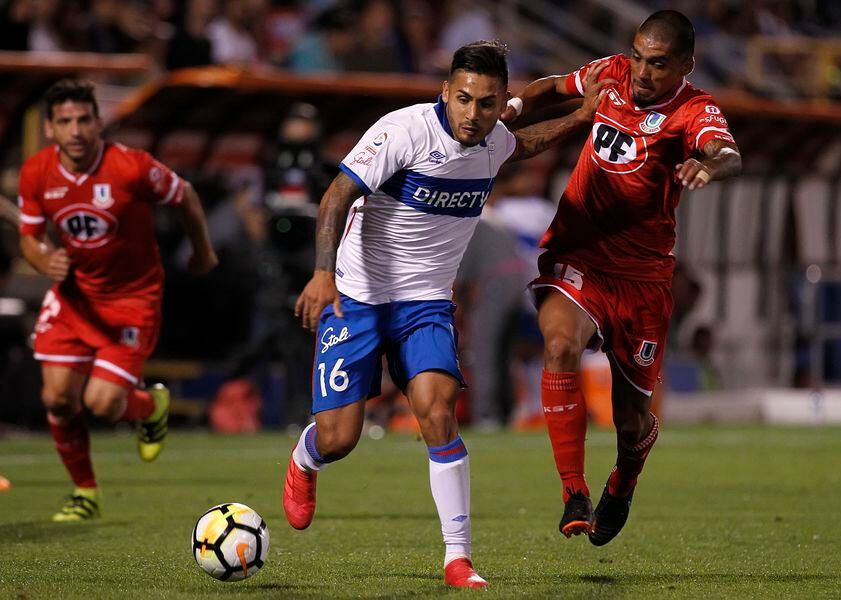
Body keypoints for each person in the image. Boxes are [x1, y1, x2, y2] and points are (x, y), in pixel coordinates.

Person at [282, 40, 609, 588]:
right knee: (339, 438)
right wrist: (323, 274)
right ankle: (305, 459)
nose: (473, 114)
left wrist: (579, 116)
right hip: (356, 296)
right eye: (463, 99)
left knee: (438, 413)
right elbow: (337, 194)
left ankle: (458, 558)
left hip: (425, 304)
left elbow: (520, 144)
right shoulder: (403, 131)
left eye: (486, 103)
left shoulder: (491, 139)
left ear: (500, 99)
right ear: (445, 93)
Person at [501, 10, 742, 546]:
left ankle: (624, 480)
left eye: (658, 63)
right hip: (580, 253)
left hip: (642, 280)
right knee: (559, 344)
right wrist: (512, 108)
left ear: (686, 64)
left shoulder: (693, 110)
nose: (642, 71)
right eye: (637, 56)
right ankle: (573, 493)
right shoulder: (611, 73)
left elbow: (726, 151)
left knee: (631, 424)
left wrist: (710, 165)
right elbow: (550, 88)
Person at [17, 79, 218, 521]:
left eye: (84, 119)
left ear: (98, 122)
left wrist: (201, 252)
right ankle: (85, 492)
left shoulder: (131, 167)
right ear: (50, 129)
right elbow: (29, 238)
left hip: (131, 299)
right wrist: (44, 260)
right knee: (57, 399)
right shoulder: (36, 172)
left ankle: (151, 405)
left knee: (102, 404)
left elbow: (185, 195)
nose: (76, 130)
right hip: (72, 300)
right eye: (65, 121)